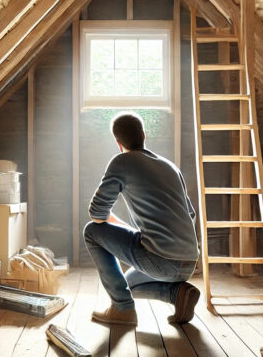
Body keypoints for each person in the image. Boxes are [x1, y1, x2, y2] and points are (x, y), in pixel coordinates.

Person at [84, 112, 201, 326]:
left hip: (161, 261)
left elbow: (97, 213)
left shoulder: (122, 161)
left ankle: (122, 309)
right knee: (128, 285)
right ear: (144, 135)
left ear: (118, 143)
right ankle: (178, 294)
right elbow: (190, 215)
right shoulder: (170, 166)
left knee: (91, 232)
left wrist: (117, 229)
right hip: (189, 261)